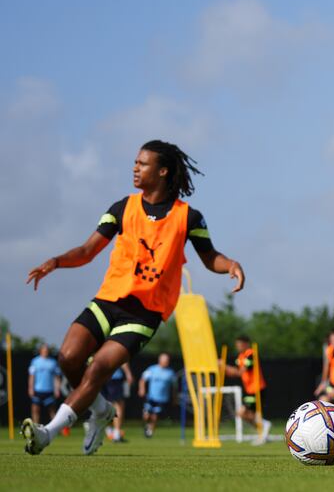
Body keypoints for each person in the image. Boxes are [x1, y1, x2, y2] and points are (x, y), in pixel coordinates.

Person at [23, 140, 245, 456]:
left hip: (144, 313)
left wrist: (231, 265)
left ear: (163, 171)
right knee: (69, 357)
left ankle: (47, 433)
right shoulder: (122, 207)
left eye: (142, 163)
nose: (135, 168)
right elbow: (87, 251)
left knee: (99, 367)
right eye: (135, 163)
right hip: (108, 300)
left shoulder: (188, 218)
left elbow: (211, 258)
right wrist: (55, 261)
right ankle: (101, 410)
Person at [224, 336, 271, 446]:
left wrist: (224, 366)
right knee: (246, 414)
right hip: (250, 390)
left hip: (257, 388)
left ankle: (265, 426)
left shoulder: (250, 354)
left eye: (239, 344)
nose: (238, 347)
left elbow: (240, 372)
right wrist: (224, 369)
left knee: (242, 412)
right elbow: (235, 372)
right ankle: (263, 431)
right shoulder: (240, 357)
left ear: (246, 344)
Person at [139, 353, 176, 438]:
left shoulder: (170, 372)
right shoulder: (152, 369)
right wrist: (142, 389)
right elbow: (143, 379)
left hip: (162, 399)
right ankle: (147, 425)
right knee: (147, 416)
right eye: (165, 360)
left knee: (155, 416)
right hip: (151, 397)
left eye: (167, 361)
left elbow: (174, 387)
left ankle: (150, 431)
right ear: (160, 360)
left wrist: (174, 397)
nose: (166, 362)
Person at [28, 344, 61, 428]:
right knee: (35, 409)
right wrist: (30, 388)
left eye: (47, 350)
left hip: (49, 390)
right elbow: (32, 376)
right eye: (44, 350)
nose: (46, 352)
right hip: (38, 390)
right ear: (41, 351)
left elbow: (57, 377)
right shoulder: (35, 361)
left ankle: (54, 428)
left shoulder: (53, 362)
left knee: (52, 410)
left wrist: (57, 389)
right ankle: (35, 427)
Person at [102, 363, 134, 442]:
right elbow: (122, 359)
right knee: (118, 405)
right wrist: (128, 373)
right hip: (114, 378)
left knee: (106, 405)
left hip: (102, 377)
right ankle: (116, 433)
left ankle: (109, 430)